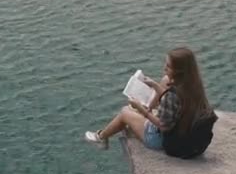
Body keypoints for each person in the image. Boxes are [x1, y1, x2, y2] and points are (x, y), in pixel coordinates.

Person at [84, 47, 213, 151]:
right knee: (159, 86)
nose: (164, 68)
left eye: (168, 66)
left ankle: (101, 137)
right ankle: (107, 134)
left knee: (125, 112)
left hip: (164, 141)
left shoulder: (172, 96)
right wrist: (155, 85)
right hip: (187, 136)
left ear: (178, 71)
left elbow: (164, 127)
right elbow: (176, 103)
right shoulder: (194, 85)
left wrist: (141, 109)